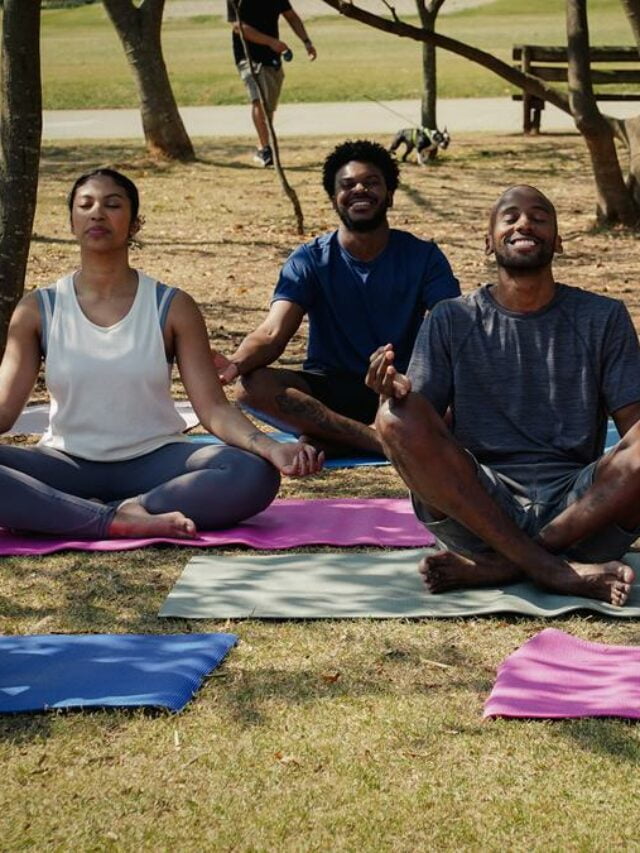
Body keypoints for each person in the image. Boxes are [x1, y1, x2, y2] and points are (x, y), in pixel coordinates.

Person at [0, 168, 322, 540]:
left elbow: (213, 408)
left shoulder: (171, 306)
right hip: (64, 463)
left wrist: (271, 449)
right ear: (72, 223)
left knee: (252, 474)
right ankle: (111, 520)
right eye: (85, 205)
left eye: (113, 204)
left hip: (155, 461)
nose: (97, 213)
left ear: (134, 224)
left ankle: (128, 508)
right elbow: (6, 409)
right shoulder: (38, 309)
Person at [367, 184, 640, 606]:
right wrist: (390, 395)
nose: (525, 223)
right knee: (392, 419)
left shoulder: (604, 317)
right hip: (479, 510)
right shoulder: (450, 318)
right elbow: (419, 435)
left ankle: (509, 564)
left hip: (586, 516)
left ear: (559, 240)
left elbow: (633, 436)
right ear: (489, 243)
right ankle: (551, 568)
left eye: (539, 216)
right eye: (510, 216)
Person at [215, 139, 460, 456]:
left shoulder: (424, 257)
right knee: (251, 389)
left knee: (463, 396)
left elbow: (451, 325)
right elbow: (272, 333)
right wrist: (235, 363)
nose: (360, 189)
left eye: (372, 183)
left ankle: (338, 438)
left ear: (390, 195)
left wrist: (412, 379)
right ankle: (381, 442)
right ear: (334, 198)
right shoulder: (309, 260)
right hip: (329, 391)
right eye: (348, 184)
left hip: (399, 387)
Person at [227, 0, 317, 167]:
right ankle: (265, 150)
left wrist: (307, 42)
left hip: (272, 56)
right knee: (259, 100)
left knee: (268, 105)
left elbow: (291, 16)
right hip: (248, 57)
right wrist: (271, 42)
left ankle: (263, 144)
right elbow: (238, 26)